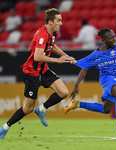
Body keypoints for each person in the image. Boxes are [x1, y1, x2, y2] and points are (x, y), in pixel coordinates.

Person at [0, 8, 76, 139]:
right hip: (32, 73)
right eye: (59, 20)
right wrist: (58, 60)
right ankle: (5, 126)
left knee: (63, 92)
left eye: (61, 20)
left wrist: (67, 56)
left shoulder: (53, 33)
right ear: (50, 22)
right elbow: (37, 56)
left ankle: (41, 109)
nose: (61, 23)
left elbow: (52, 46)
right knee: (28, 108)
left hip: (44, 70)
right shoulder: (42, 34)